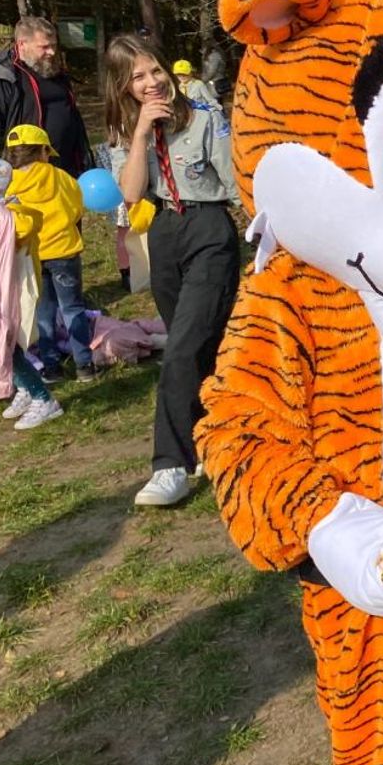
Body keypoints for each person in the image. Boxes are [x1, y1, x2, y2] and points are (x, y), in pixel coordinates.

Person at [105, 34, 241, 508]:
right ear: (123, 86)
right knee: (200, 347)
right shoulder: (125, 130)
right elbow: (130, 193)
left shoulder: (203, 117)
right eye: (138, 77)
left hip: (208, 230)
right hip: (163, 232)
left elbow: (234, 181)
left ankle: (170, 464)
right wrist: (142, 134)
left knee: (181, 348)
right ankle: (210, 439)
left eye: (156, 71)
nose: (152, 83)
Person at [4, 124, 94, 383]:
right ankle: (85, 365)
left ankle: (51, 367)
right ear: (43, 150)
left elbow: (11, 219)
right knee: (73, 308)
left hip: (32, 255)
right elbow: (76, 207)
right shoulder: (60, 176)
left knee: (43, 312)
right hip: (64, 251)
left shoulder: (9, 182)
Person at [0, 156, 62, 430]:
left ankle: (43, 398)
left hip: (0, 296)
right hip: (2, 293)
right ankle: (27, 389)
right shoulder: (7, 213)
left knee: (6, 349)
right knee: (3, 347)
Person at [0, 17, 91, 174]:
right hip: (25, 172)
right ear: (22, 44)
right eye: (44, 47)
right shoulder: (3, 77)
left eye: (54, 45)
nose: (52, 52)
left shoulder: (56, 72)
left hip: (67, 168)